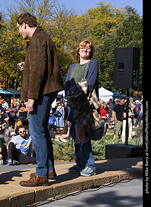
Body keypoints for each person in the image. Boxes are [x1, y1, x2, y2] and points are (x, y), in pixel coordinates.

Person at [16, 13, 64, 187]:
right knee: (42, 131)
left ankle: (42, 174)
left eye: (18, 28)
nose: (19, 31)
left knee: (36, 132)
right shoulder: (43, 37)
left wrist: (31, 97)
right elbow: (38, 67)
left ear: (25, 25)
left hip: (41, 93)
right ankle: (48, 169)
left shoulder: (37, 40)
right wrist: (26, 66)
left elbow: (38, 72)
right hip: (46, 91)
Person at [65, 40, 99, 177]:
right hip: (73, 104)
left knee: (82, 133)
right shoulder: (72, 67)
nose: (86, 50)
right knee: (74, 133)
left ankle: (90, 164)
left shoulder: (93, 63)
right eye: (83, 48)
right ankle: (80, 162)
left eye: (89, 49)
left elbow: (90, 84)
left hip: (84, 104)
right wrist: (70, 97)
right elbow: (67, 84)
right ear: (78, 51)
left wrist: (74, 94)